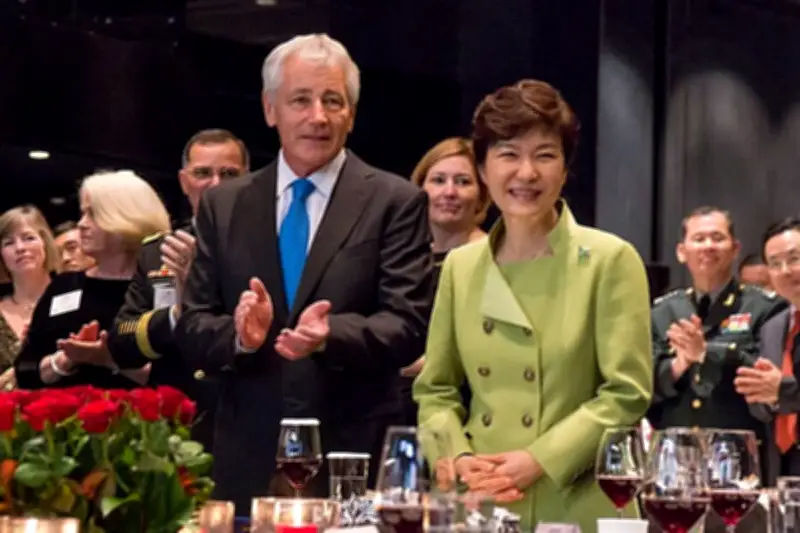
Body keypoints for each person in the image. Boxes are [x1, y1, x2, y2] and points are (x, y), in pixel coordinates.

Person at [175, 33, 434, 512]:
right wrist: (240, 338)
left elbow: (408, 324)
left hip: (352, 451)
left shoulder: (394, 201)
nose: (318, 116)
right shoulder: (224, 205)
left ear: (351, 114)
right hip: (247, 454)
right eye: (300, 100)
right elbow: (193, 325)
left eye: (332, 101)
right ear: (270, 108)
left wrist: (330, 334)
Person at [413, 79, 653, 530]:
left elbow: (627, 393)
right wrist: (456, 458)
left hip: (577, 497)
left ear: (564, 169)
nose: (526, 173)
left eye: (545, 155)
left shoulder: (610, 259)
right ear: (483, 169)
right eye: (508, 154)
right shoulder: (461, 267)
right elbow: (435, 390)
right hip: (482, 497)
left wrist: (540, 459)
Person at [109, 129, 249, 451]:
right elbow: (121, 341)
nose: (215, 184)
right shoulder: (158, 252)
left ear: (248, 181)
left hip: (243, 416)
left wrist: (198, 287)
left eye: (229, 174)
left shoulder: (270, 245)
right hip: (175, 426)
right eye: (203, 173)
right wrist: (176, 313)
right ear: (184, 182)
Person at [15, 170, 171, 389]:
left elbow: (179, 376)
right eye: (82, 214)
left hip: (146, 410)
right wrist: (65, 360)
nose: (81, 224)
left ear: (127, 218)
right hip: (65, 410)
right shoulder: (64, 286)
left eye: (93, 215)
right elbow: (25, 370)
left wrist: (108, 359)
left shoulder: (161, 287)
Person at [399, 137, 490, 425]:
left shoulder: (493, 258)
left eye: (463, 182)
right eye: (438, 180)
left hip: (465, 405)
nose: (449, 192)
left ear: (482, 195)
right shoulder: (401, 255)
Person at [736, 217, 800, 481]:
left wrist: (782, 391)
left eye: (794, 259)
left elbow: (783, 390)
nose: (785, 271)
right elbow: (766, 408)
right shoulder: (773, 327)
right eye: (774, 264)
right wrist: (762, 394)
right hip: (783, 473)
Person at [0, 206, 60, 388]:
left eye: (29, 238)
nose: (20, 248)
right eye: (8, 243)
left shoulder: (74, 298)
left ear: (45, 243)